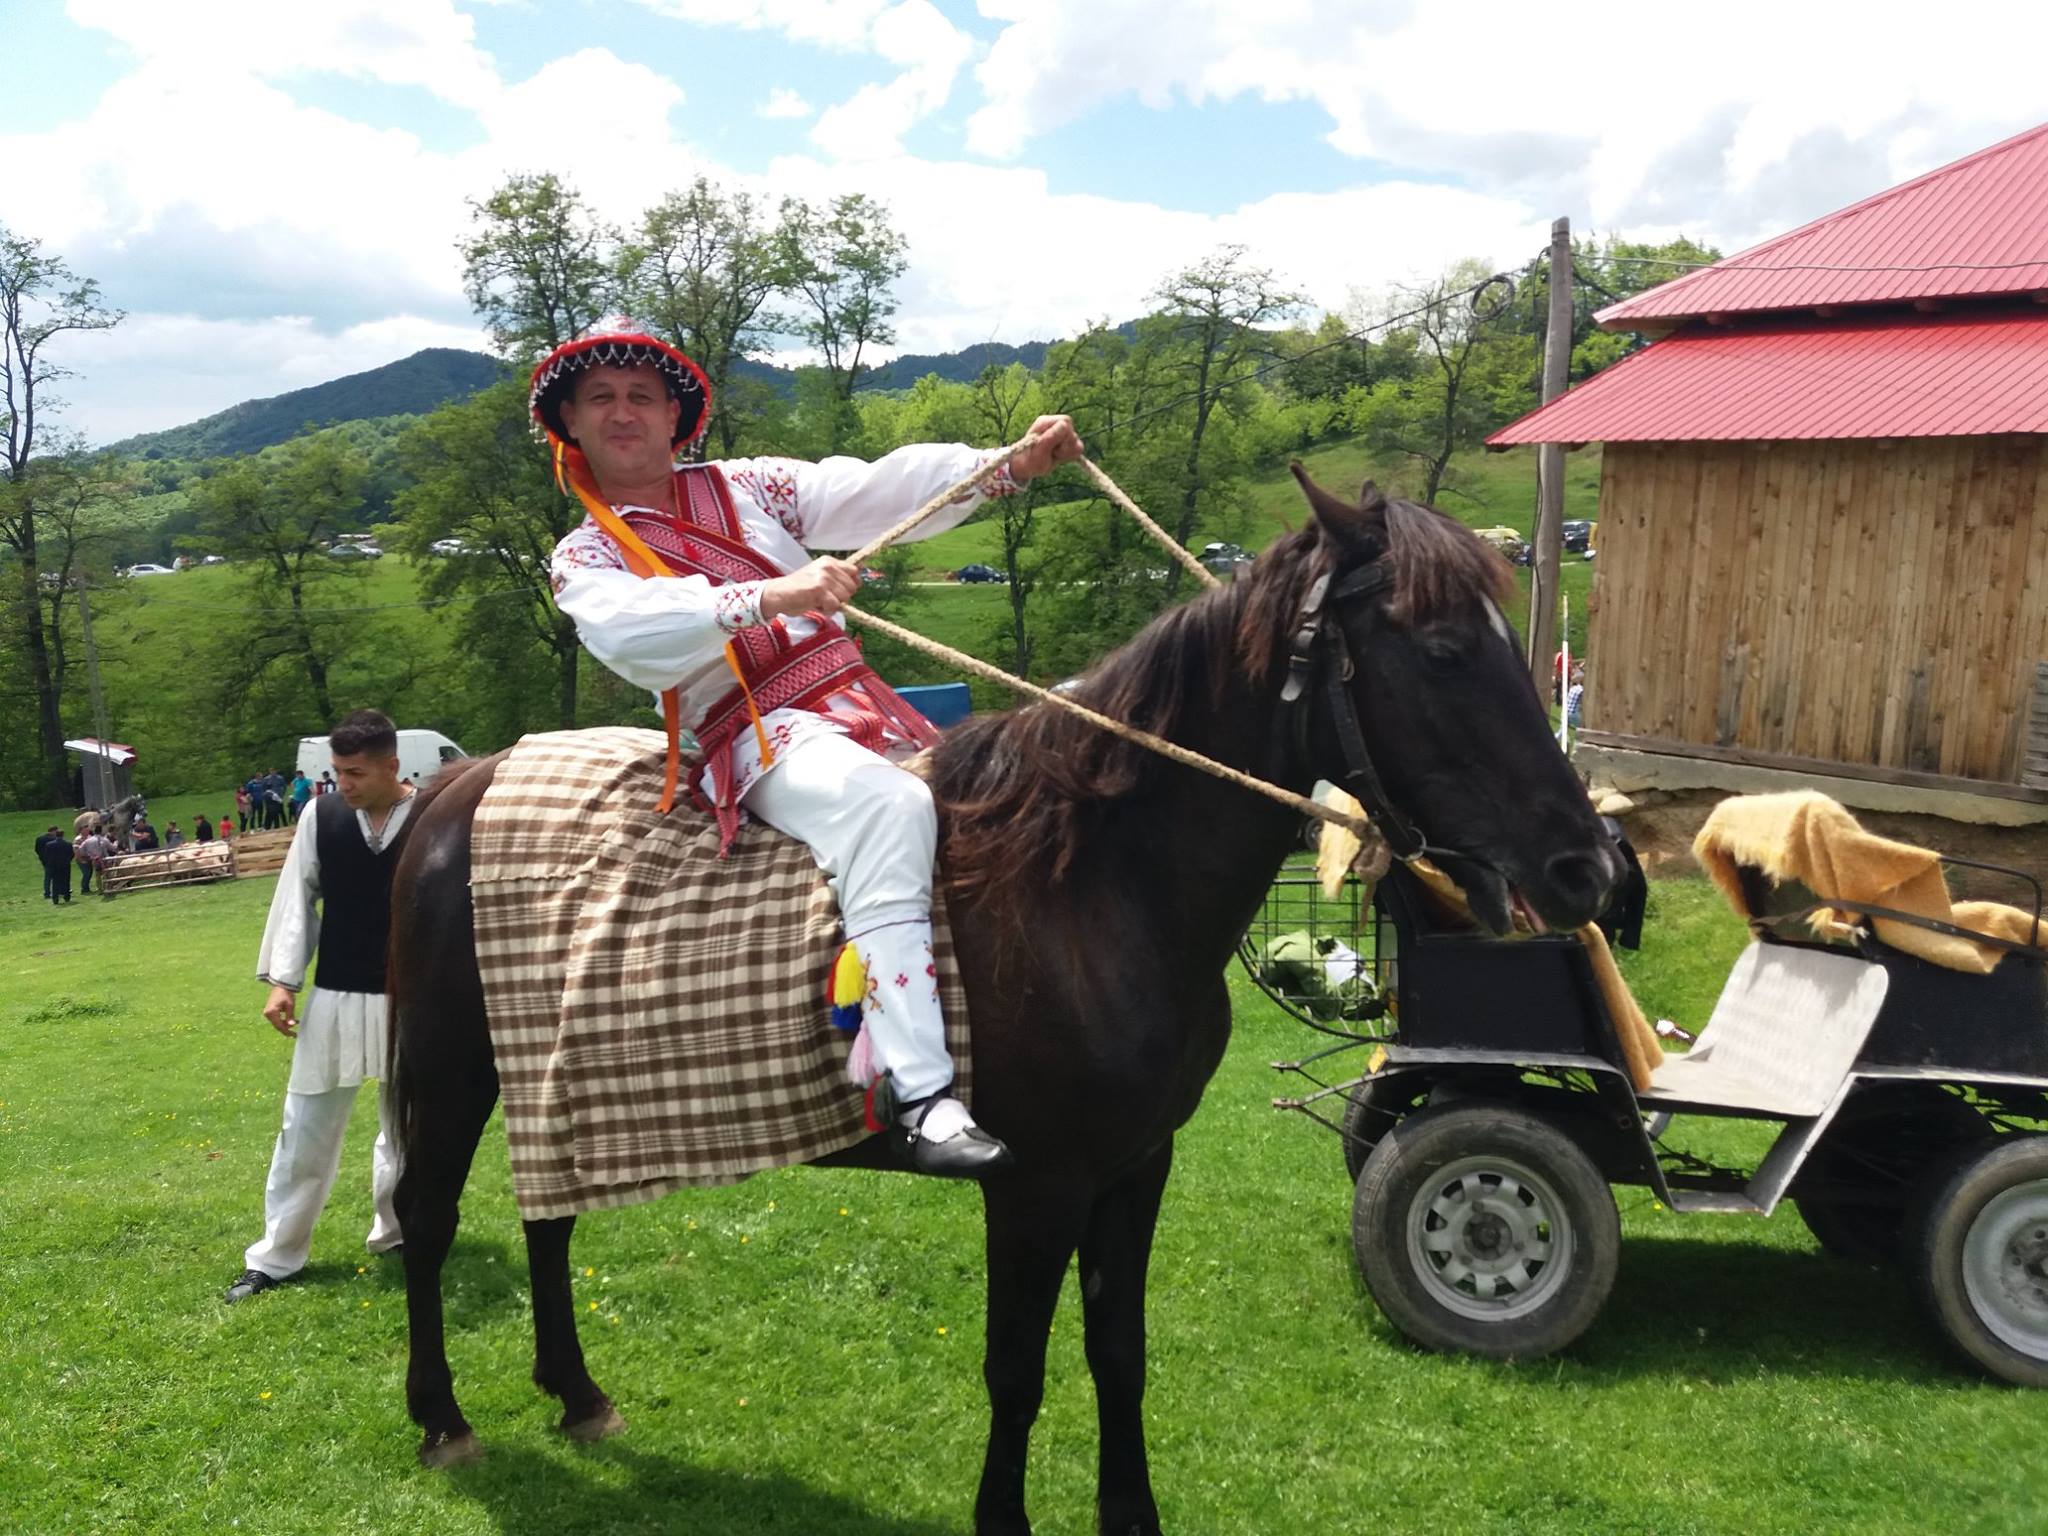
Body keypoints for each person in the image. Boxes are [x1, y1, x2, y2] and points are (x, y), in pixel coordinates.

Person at [537, 320, 1083, 1178]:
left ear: (675, 416)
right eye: (600, 398)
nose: (624, 412)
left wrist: (1002, 463)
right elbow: (633, 633)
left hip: (865, 700)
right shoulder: (586, 554)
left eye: (642, 396)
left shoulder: (745, 485)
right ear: (570, 419)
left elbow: (866, 490)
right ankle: (924, 1095)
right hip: (760, 731)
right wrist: (764, 596)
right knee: (890, 804)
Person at [224, 709, 413, 1303]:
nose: (343, 785)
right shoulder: (321, 816)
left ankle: (399, 1233)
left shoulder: (434, 815)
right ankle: (276, 1257)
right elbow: (296, 895)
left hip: (411, 999)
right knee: (304, 1131)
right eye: (337, 772)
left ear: (391, 766)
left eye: (355, 773)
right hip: (333, 994)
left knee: (407, 1130)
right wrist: (283, 981)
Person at [35, 826, 71, 903]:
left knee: (53, 880)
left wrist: (45, 860)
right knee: (65, 880)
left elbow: (39, 851)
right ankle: (65, 894)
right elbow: (71, 854)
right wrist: (67, 861)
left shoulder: (45, 842)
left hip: (51, 864)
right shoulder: (67, 844)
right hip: (64, 865)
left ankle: (52, 895)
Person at [75, 827, 108, 895]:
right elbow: (78, 850)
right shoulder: (78, 839)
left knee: (91, 874)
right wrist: (81, 859)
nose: (87, 831)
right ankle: (84, 889)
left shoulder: (89, 838)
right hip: (84, 859)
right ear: (81, 830)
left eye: (88, 830)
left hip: (90, 859)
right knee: (87, 874)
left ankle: (91, 888)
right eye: (86, 830)